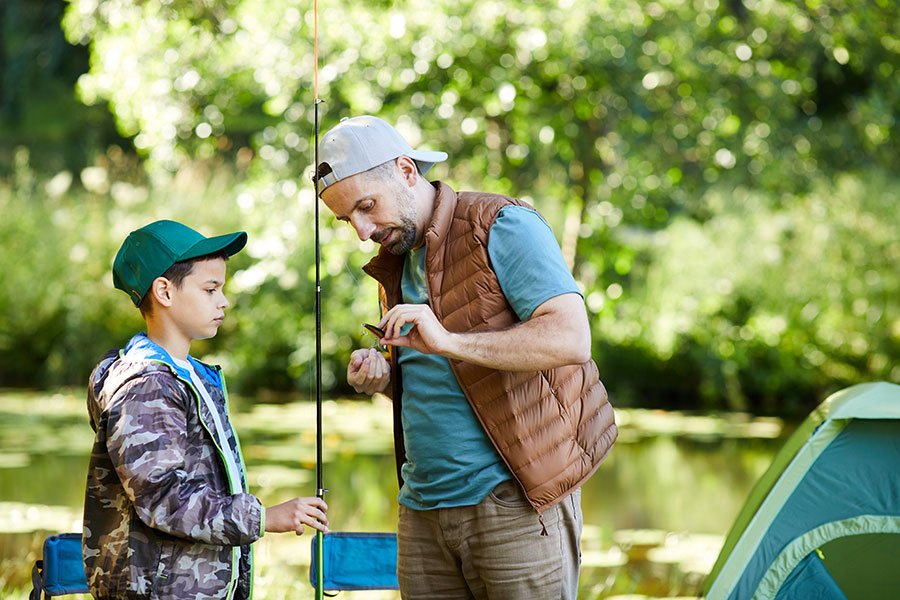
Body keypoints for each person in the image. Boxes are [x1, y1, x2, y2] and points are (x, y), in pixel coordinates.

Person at [315, 115, 617, 599]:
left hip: (514, 505)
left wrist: (449, 340)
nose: (362, 231)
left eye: (366, 207)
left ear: (406, 170)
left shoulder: (502, 224)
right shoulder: (396, 258)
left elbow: (570, 338)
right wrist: (385, 380)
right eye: (346, 219)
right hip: (422, 512)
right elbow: (439, 378)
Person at [83, 220, 329, 599]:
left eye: (222, 288)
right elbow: (163, 496)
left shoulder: (192, 375)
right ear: (163, 291)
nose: (224, 301)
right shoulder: (146, 386)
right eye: (210, 289)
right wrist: (265, 517)